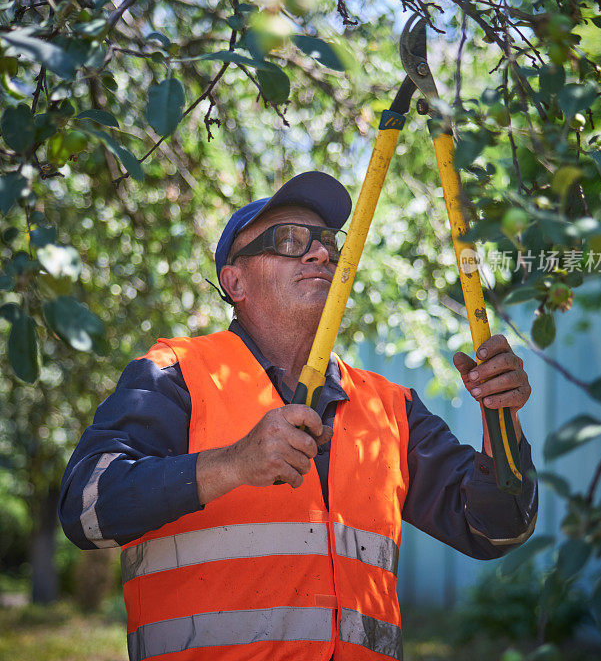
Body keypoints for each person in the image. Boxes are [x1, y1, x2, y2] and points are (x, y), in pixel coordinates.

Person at [59, 171, 537, 661]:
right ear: (235, 280)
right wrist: (233, 464)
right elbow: (85, 510)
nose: (321, 254)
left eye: (328, 242)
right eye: (288, 240)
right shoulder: (174, 375)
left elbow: (497, 530)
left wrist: (503, 421)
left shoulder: (390, 407)